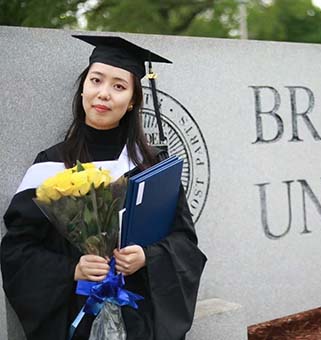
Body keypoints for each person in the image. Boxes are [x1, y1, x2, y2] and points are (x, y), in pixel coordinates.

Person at [0, 35, 207, 340]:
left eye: (119, 86)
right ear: (83, 86)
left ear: (133, 100)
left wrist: (147, 258)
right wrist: (73, 269)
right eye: (96, 80)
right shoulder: (52, 165)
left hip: (142, 323)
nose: (104, 94)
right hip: (76, 320)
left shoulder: (149, 165)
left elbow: (185, 244)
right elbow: (17, 252)